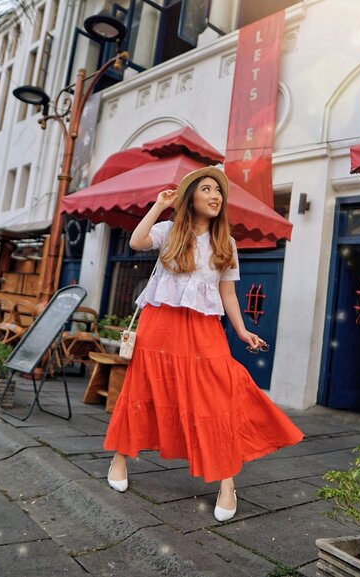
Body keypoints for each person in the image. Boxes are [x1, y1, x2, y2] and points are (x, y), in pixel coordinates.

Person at [104, 166, 303, 521]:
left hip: (204, 329)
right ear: (191, 197)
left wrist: (242, 331)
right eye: (207, 189)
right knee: (143, 390)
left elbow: (228, 290)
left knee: (215, 397)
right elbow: (136, 242)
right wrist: (158, 206)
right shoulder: (168, 231)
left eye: (218, 191)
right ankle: (119, 458)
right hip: (160, 326)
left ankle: (228, 483)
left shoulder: (226, 243)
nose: (215, 196)